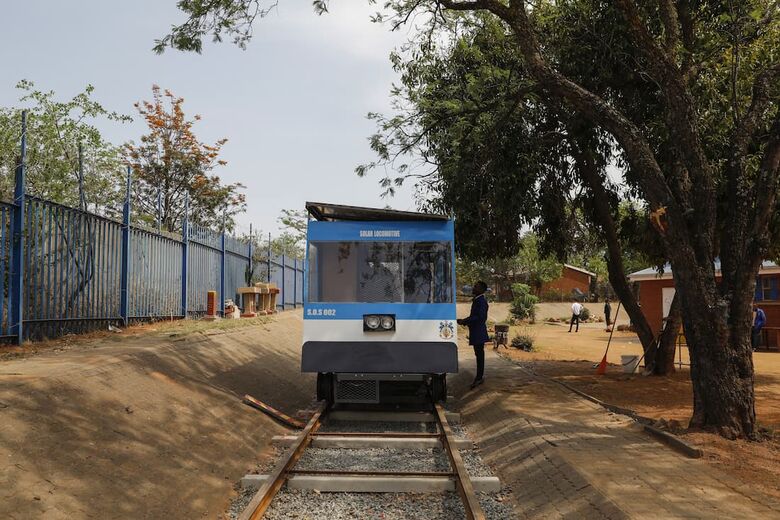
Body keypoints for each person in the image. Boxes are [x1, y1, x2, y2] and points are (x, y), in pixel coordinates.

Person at [457, 281, 489, 388]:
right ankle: (479, 377)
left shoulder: (481, 301)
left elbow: (480, 317)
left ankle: (479, 377)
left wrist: (465, 321)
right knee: (478, 354)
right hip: (476, 331)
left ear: (481, 290)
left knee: (479, 355)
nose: (473, 288)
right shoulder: (477, 300)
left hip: (478, 332)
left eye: (476, 287)